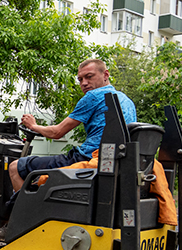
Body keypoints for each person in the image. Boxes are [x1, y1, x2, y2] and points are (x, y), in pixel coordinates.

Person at [8, 59, 136, 192]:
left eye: (89, 77)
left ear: (105, 75)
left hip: (89, 157)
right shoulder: (127, 101)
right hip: (115, 161)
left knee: (15, 167)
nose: (84, 83)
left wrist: (33, 126)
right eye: (80, 79)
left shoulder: (94, 96)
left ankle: (25, 212)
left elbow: (57, 133)